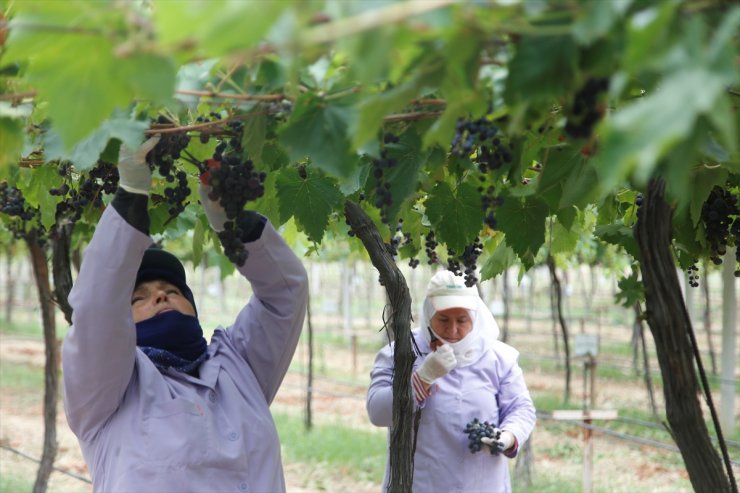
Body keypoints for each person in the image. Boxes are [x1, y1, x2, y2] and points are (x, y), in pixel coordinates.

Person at [61, 135, 308, 493]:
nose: (160, 295)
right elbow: (97, 312)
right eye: (139, 298)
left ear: (193, 308)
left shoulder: (239, 369)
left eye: (173, 291)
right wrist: (130, 194)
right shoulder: (107, 392)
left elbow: (286, 293)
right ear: (123, 322)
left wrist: (235, 229)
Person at [366, 270, 536, 493]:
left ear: (475, 317)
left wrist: (509, 436)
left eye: (462, 320)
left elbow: (521, 408)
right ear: (428, 314)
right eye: (444, 319)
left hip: (483, 485)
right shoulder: (401, 354)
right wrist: (421, 379)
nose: (453, 330)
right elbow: (378, 413)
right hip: (421, 485)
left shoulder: (498, 358)